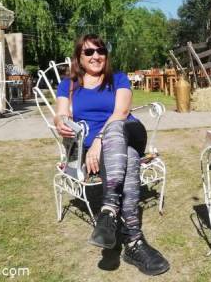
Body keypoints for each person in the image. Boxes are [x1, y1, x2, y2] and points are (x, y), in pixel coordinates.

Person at [54, 34, 170, 276]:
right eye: (89, 52)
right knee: (127, 159)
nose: (96, 56)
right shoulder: (69, 85)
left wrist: (98, 141)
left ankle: (108, 210)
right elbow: (61, 114)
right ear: (79, 57)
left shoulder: (117, 78)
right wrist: (60, 121)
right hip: (103, 152)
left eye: (100, 51)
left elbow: (122, 112)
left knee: (116, 130)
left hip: (128, 132)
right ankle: (134, 242)